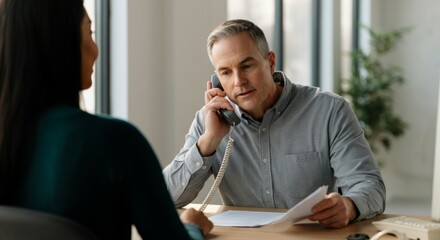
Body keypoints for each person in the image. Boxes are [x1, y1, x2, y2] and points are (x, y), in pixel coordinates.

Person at [0, 0, 213, 239]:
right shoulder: (116, 142)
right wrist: (191, 227)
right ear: (62, 43)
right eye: (89, 32)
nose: (96, 48)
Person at [163, 19, 386, 228]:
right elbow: (164, 197)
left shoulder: (330, 111)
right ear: (217, 81)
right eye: (226, 72)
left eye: (247, 66)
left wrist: (349, 206)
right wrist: (208, 142)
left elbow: (369, 185)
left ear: (270, 62)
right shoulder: (209, 121)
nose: (238, 81)